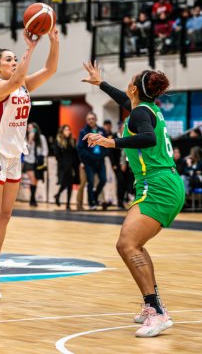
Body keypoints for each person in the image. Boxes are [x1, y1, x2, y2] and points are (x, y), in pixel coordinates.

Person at [82, 63, 182, 337]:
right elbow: (125, 101)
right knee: (133, 244)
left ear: (135, 88)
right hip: (160, 182)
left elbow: (148, 138)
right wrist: (100, 83)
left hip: (159, 185)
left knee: (126, 244)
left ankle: (157, 312)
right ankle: (154, 305)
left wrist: (110, 142)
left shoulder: (140, 113)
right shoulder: (146, 109)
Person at [0, 27, 59, 306]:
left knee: (4, 217)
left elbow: (51, 69)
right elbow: (18, 77)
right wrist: (29, 48)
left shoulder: (23, 84)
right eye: (8, 59)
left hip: (13, 155)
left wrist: (53, 42)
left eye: (15, 58)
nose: (14, 62)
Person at [77, 112, 108, 211]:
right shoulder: (83, 132)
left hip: (100, 160)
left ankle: (94, 196)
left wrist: (103, 154)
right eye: (89, 119)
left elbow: (107, 144)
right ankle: (91, 203)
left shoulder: (101, 130)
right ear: (87, 121)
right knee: (90, 183)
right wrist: (88, 158)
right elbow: (80, 148)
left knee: (103, 180)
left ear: (96, 119)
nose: (91, 120)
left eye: (93, 118)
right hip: (89, 162)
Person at [53, 124, 80, 210]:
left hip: (72, 165)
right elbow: (57, 154)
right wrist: (61, 164)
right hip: (63, 165)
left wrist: (78, 163)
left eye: (69, 130)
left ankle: (67, 203)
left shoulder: (72, 140)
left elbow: (75, 153)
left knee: (70, 184)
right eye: (66, 130)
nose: (68, 131)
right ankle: (57, 195)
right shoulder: (58, 141)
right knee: (65, 183)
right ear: (62, 131)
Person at [23, 122, 48, 207]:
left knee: (35, 181)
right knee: (33, 180)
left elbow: (45, 150)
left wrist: (41, 157)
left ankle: (32, 199)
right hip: (28, 161)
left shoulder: (41, 138)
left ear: (36, 129)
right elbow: (26, 152)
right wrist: (30, 141)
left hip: (37, 162)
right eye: (28, 128)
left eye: (32, 128)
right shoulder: (26, 138)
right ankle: (32, 198)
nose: (30, 130)